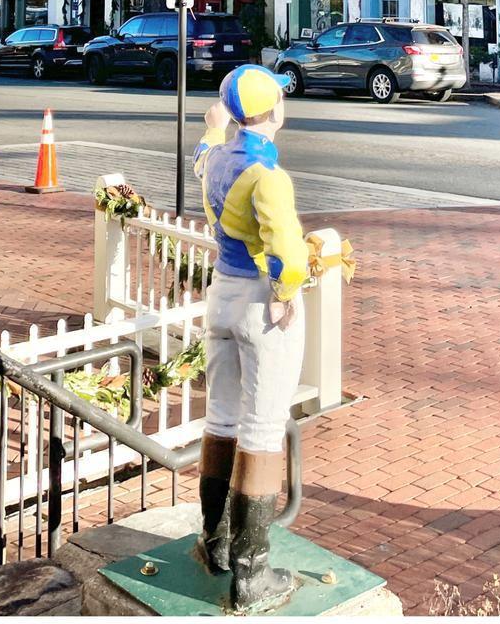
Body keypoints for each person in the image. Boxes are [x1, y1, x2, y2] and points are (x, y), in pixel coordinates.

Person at [192, 64, 309, 613]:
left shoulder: (217, 158)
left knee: (221, 415)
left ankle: (213, 539)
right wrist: (288, 289)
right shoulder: (268, 176)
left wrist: (214, 129)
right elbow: (285, 245)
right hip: (261, 302)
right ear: (276, 112)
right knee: (261, 429)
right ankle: (251, 573)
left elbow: (201, 157)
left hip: (222, 292)